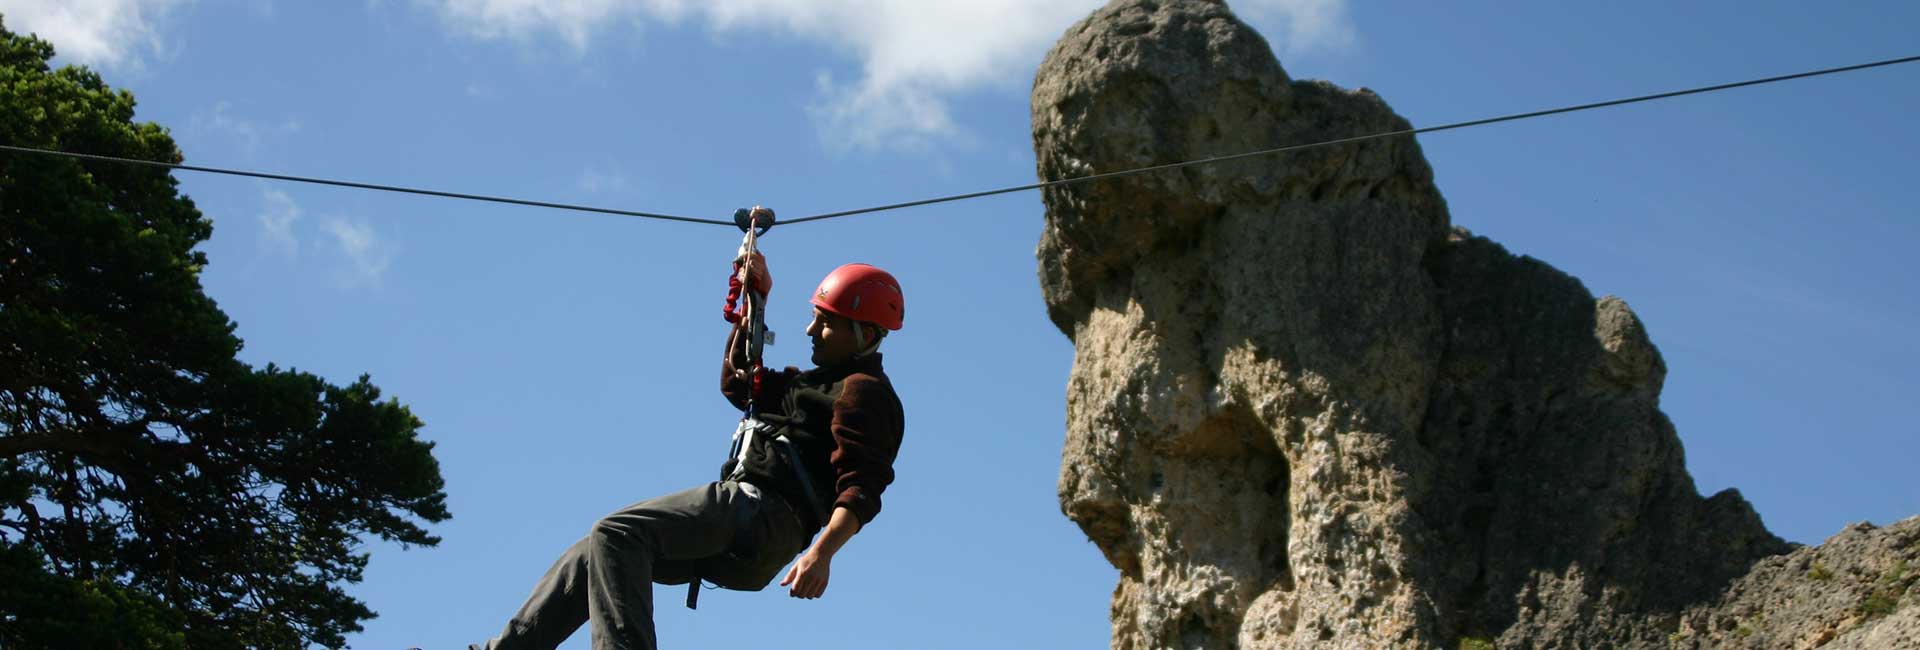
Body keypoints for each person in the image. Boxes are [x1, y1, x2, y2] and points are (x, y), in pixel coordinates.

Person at [472, 258, 907, 650]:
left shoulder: (863, 394)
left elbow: (861, 487)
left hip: (763, 517)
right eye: (815, 319)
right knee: (594, 555)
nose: (811, 331)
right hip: (750, 524)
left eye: (826, 323)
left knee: (619, 533)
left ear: (865, 335)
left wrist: (822, 553)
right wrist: (757, 297)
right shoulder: (809, 385)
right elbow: (739, 383)